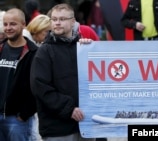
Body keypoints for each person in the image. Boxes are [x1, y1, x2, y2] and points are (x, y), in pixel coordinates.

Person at [30, 3, 99, 141]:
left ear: (73, 21)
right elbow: (40, 88)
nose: (57, 23)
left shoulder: (82, 47)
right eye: (54, 19)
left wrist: (89, 51)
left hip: (86, 124)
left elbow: (97, 77)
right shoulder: (44, 51)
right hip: (58, 129)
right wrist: (69, 109)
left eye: (62, 19)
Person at [0, 8, 38, 141]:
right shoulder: (0, 48)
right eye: (5, 24)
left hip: (18, 120)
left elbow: (39, 86)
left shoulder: (34, 53)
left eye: (13, 24)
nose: (8, 28)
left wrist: (24, 114)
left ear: (23, 24)